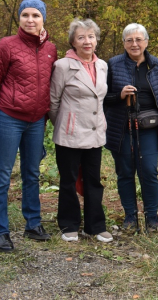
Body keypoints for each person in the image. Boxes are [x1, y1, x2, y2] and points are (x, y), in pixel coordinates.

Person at [0, 0, 57, 252]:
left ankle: (33, 224)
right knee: (2, 175)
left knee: (32, 174)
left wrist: (46, 118)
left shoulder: (50, 50)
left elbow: (50, 87)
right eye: (26, 15)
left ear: (43, 19)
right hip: (8, 119)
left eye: (36, 15)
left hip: (36, 122)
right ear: (19, 18)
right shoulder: (7, 46)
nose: (30, 20)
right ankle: (1, 231)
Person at [49, 19, 112, 243]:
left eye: (91, 36)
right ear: (73, 42)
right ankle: (69, 225)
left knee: (93, 180)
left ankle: (95, 226)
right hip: (70, 133)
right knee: (68, 180)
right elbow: (53, 103)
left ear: (96, 40)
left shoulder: (103, 65)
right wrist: (66, 124)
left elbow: (101, 98)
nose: (87, 41)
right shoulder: (62, 66)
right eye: (81, 37)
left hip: (96, 132)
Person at [104, 23, 158, 233]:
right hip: (121, 127)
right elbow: (103, 97)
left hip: (149, 127)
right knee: (125, 172)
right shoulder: (113, 65)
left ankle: (152, 217)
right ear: (123, 43)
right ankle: (130, 216)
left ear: (146, 42)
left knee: (149, 171)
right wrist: (120, 95)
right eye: (129, 40)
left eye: (139, 39)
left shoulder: (156, 65)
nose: (134, 44)